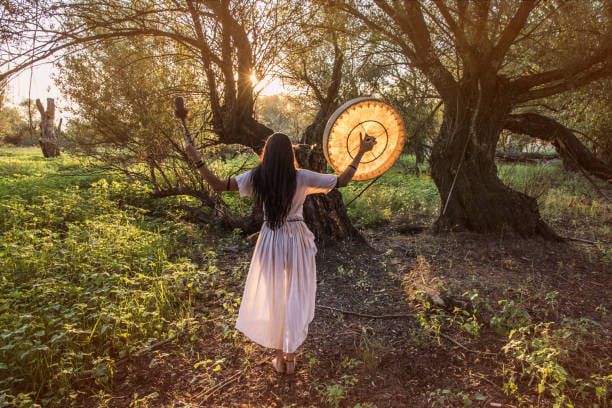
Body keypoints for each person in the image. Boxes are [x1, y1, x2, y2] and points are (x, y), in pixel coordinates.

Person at [185, 132, 376, 374]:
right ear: (290, 155)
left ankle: (279, 358)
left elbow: (218, 185)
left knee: (275, 296)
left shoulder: (257, 176)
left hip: (271, 239)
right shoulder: (301, 177)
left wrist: (196, 157)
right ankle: (291, 357)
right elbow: (342, 181)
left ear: (266, 153)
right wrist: (360, 152)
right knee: (294, 294)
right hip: (296, 239)